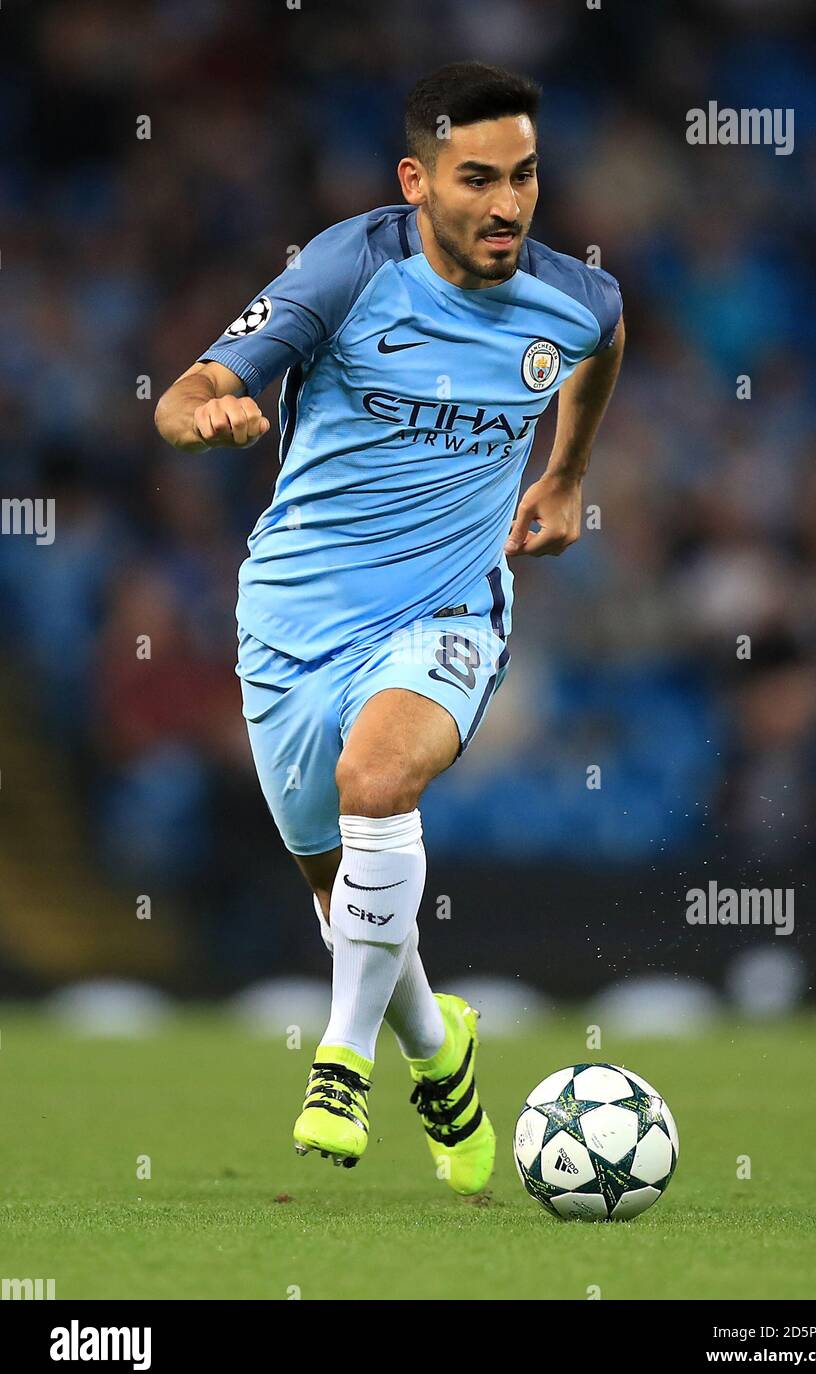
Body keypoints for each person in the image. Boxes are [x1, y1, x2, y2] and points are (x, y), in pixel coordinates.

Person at [154, 61, 624, 1196]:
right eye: (477, 179)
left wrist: (563, 478)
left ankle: (341, 1063)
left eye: (524, 177)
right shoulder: (344, 272)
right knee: (350, 897)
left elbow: (599, 352)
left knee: (378, 782)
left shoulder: (577, 298)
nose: (507, 204)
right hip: (292, 622)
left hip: (448, 611)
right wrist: (208, 412)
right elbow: (184, 391)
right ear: (417, 180)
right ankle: (438, 1047)